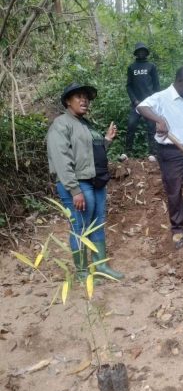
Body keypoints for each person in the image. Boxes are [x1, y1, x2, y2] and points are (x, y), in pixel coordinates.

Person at [46, 82, 123, 281]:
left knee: (97, 225)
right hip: (78, 184)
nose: (84, 100)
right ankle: (81, 273)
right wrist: (74, 189)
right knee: (80, 227)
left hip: (96, 182)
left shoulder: (85, 124)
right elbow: (61, 158)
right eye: (78, 96)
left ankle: (100, 267)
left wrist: (106, 140)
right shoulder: (61, 124)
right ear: (67, 101)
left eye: (86, 97)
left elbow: (91, 155)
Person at [136, 66, 183, 248]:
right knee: (174, 191)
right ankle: (177, 229)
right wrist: (159, 120)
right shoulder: (162, 97)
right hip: (170, 152)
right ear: (180, 82)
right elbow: (141, 107)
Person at [119, 41, 160, 163]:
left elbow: (157, 86)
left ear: (146, 52)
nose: (141, 52)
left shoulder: (151, 66)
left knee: (151, 127)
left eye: (143, 50)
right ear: (136, 53)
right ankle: (126, 152)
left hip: (149, 103)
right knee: (131, 125)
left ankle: (152, 153)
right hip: (136, 103)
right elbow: (129, 86)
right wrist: (134, 100)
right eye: (139, 50)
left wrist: (153, 100)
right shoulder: (131, 67)